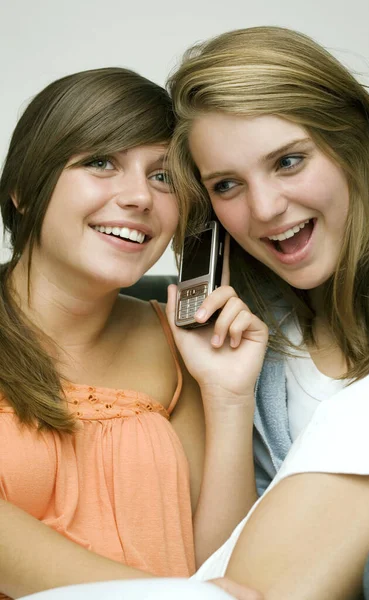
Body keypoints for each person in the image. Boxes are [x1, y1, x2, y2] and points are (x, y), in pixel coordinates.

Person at [0, 67, 267, 600]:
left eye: (163, 176)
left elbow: (216, 561)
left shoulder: (176, 342)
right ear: (24, 190)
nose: (139, 197)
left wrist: (228, 396)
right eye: (101, 162)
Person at [166, 26, 369, 598]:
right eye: (227, 185)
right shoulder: (263, 340)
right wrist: (227, 396)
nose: (266, 209)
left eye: (289, 161)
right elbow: (228, 563)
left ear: (353, 140)